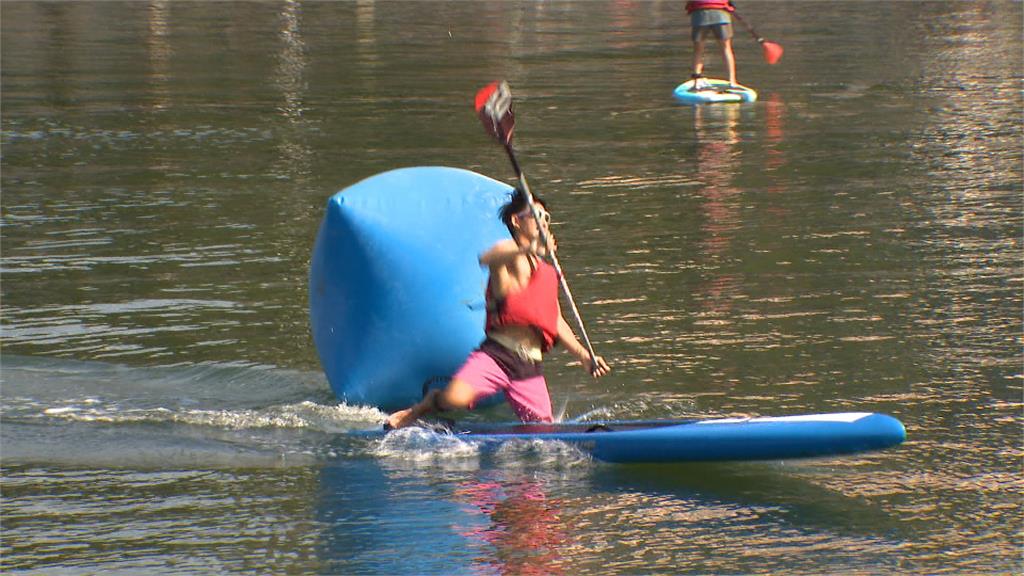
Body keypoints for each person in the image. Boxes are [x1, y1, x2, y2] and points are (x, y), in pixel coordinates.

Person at [386, 188, 610, 429]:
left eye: (546, 218)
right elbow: (487, 258)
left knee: (542, 429)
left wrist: (583, 356)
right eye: (536, 215)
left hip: (528, 364)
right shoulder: (507, 254)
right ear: (517, 221)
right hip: (497, 355)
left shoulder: (547, 270)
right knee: (454, 399)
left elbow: (554, 319)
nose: (544, 222)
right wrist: (530, 248)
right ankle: (425, 406)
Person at [686, 0, 738, 89]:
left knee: (698, 50)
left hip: (700, 14)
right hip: (721, 14)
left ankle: (696, 81)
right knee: (726, 48)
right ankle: (732, 81)